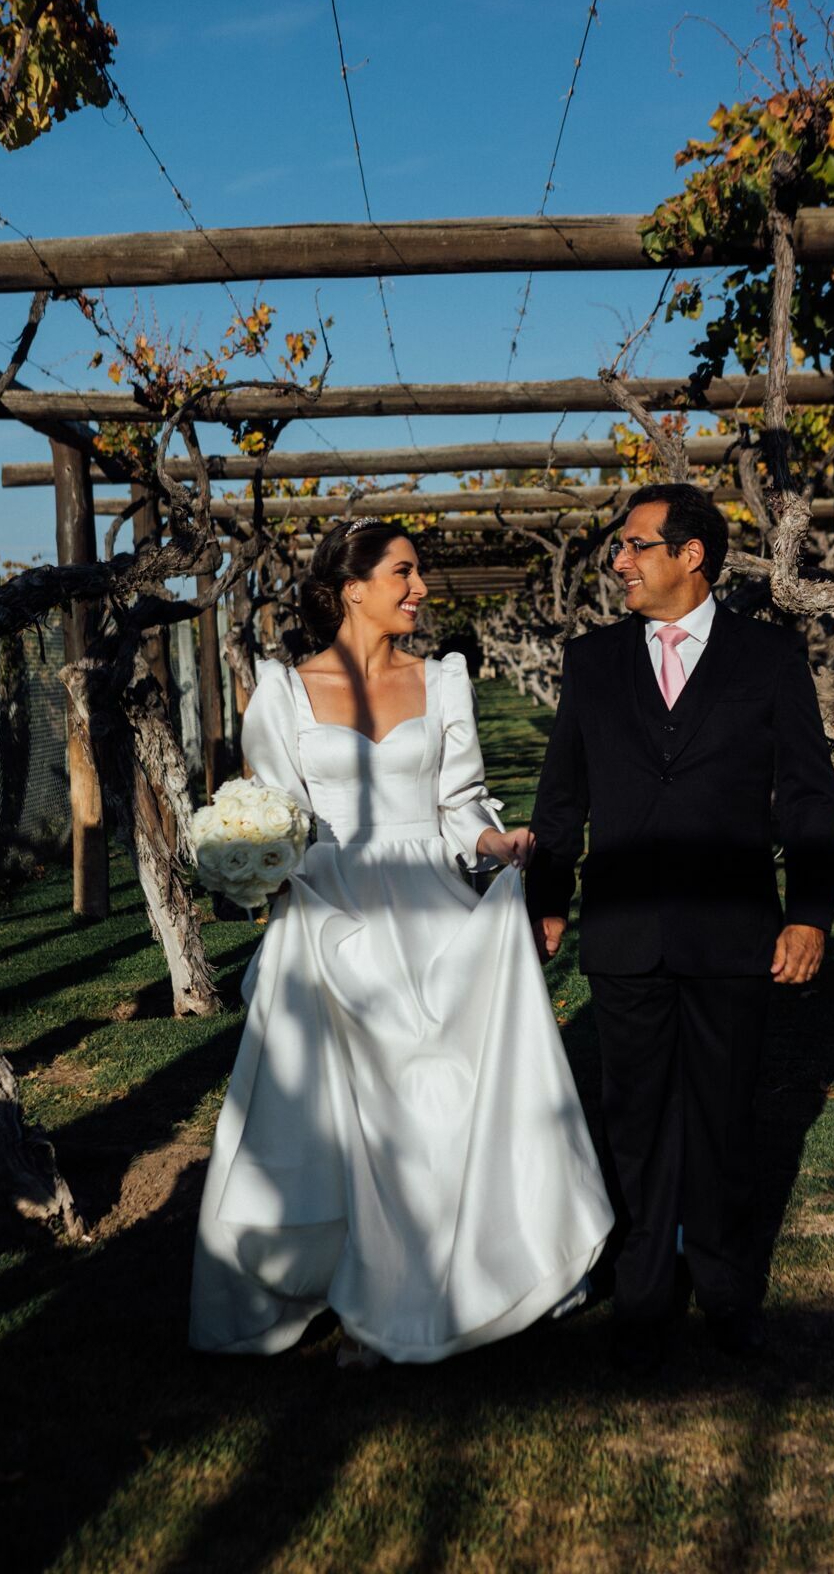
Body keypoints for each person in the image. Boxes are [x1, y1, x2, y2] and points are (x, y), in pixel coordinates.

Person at [190, 518, 613, 1366]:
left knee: (441, 1089)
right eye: (403, 573)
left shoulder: (445, 682)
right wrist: (254, 859)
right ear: (351, 587)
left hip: (430, 903)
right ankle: (350, 1274)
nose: (420, 589)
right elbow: (276, 808)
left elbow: (462, 804)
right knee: (349, 1108)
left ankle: (457, 1269)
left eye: (418, 574)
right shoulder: (281, 693)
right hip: (329, 908)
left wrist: (496, 846)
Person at [526, 483, 834, 1372]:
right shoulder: (591, 661)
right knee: (632, 1116)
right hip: (623, 932)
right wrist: (547, 897)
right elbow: (562, 794)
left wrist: (809, 914)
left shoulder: (769, 657)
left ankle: (728, 1286)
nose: (617, 562)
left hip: (733, 932)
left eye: (632, 546)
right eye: (618, 549)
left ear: (690, 555)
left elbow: (809, 794)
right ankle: (644, 1292)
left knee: (723, 1117)